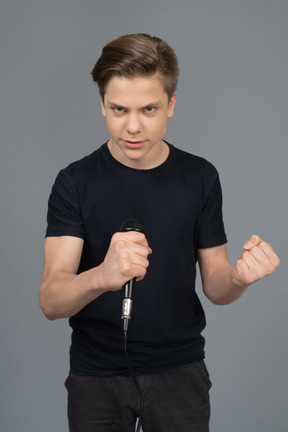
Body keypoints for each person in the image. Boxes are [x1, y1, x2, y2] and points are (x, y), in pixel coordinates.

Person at [39, 33, 280, 432]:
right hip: (96, 377)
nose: (133, 126)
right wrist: (102, 275)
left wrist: (238, 278)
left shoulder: (200, 177)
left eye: (149, 109)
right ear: (102, 105)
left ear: (171, 103)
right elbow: (51, 300)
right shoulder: (74, 182)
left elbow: (217, 286)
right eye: (119, 109)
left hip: (180, 372)